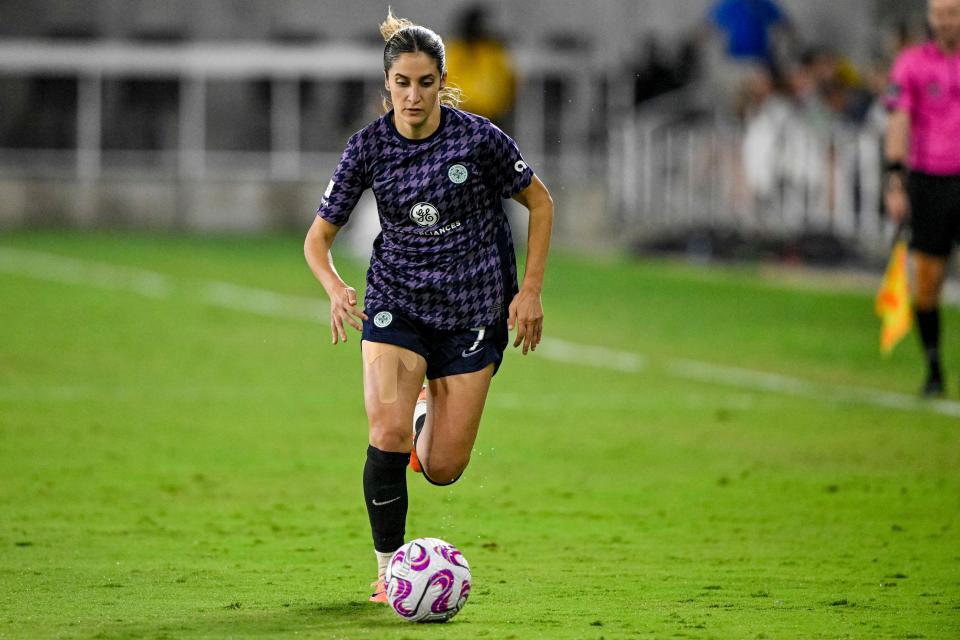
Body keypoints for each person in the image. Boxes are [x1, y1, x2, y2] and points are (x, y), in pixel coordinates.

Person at [303, 9, 554, 602]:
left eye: (425, 83)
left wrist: (531, 291)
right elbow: (318, 239)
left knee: (443, 467)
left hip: (474, 311)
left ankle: (426, 414)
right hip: (396, 305)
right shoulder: (367, 147)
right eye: (401, 84)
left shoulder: (479, 139)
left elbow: (540, 205)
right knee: (384, 432)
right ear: (385, 86)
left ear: (443, 82)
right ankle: (389, 570)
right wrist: (337, 286)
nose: (413, 96)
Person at [884, 0, 960, 396]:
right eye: (939, 13)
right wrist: (896, 179)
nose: (945, 21)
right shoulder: (912, 63)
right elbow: (899, 120)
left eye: (953, 12)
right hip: (930, 180)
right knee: (927, 280)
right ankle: (934, 368)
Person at [443, 4, 517, 127]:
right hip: (461, 114)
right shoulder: (455, 50)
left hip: (492, 115)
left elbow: (509, 82)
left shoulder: (494, 51)